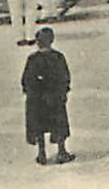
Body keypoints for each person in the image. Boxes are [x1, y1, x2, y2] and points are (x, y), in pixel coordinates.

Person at [21, 27, 74, 165]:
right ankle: (61, 151)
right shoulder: (58, 57)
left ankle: (41, 153)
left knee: (39, 126)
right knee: (59, 124)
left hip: (37, 100)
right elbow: (65, 77)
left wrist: (30, 93)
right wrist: (63, 92)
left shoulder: (32, 59)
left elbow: (26, 79)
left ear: (37, 42)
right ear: (52, 40)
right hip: (54, 98)